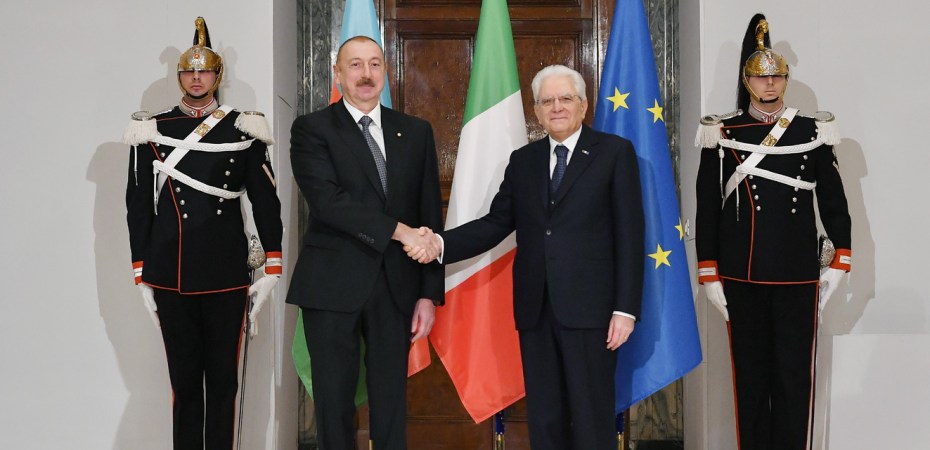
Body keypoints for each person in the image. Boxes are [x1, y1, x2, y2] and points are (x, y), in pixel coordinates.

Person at [409, 64, 644, 450]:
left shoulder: (614, 153)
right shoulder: (524, 160)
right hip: (536, 310)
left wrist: (625, 309)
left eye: (565, 98)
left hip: (593, 312)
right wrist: (438, 243)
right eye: (547, 101)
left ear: (583, 105)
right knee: (545, 417)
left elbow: (630, 235)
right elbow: (495, 224)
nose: (557, 107)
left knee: (591, 417)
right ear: (535, 111)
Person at [123, 17, 283, 450]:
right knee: (185, 383)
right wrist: (141, 271)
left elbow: (265, 200)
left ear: (217, 76)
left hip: (226, 273)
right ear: (180, 76)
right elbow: (138, 206)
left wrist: (272, 264)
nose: (197, 78)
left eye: (205, 71)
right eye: (189, 71)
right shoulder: (152, 129)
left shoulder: (243, 128)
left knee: (224, 383)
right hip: (170, 272)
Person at [694, 14, 851, 450]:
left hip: (797, 274)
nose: (770, 84)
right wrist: (709, 270)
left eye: (777, 77)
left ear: (785, 80)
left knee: (795, 379)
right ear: (746, 81)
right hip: (741, 274)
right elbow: (707, 207)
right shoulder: (722, 132)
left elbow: (833, 201)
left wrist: (841, 259)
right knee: (749, 380)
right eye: (761, 77)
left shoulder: (812, 130)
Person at [285, 35, 444, 450]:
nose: (366, 74)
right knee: (334, 401)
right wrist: (401, 232)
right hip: (332, 284)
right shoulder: (312, 129)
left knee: (391, 401)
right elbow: (329, 203)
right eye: (355, 65)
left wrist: (428, 294)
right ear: (337, 74)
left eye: (374, 64)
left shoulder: (416, 131)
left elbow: (429, 213)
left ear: (385, 71)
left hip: (397, 285)